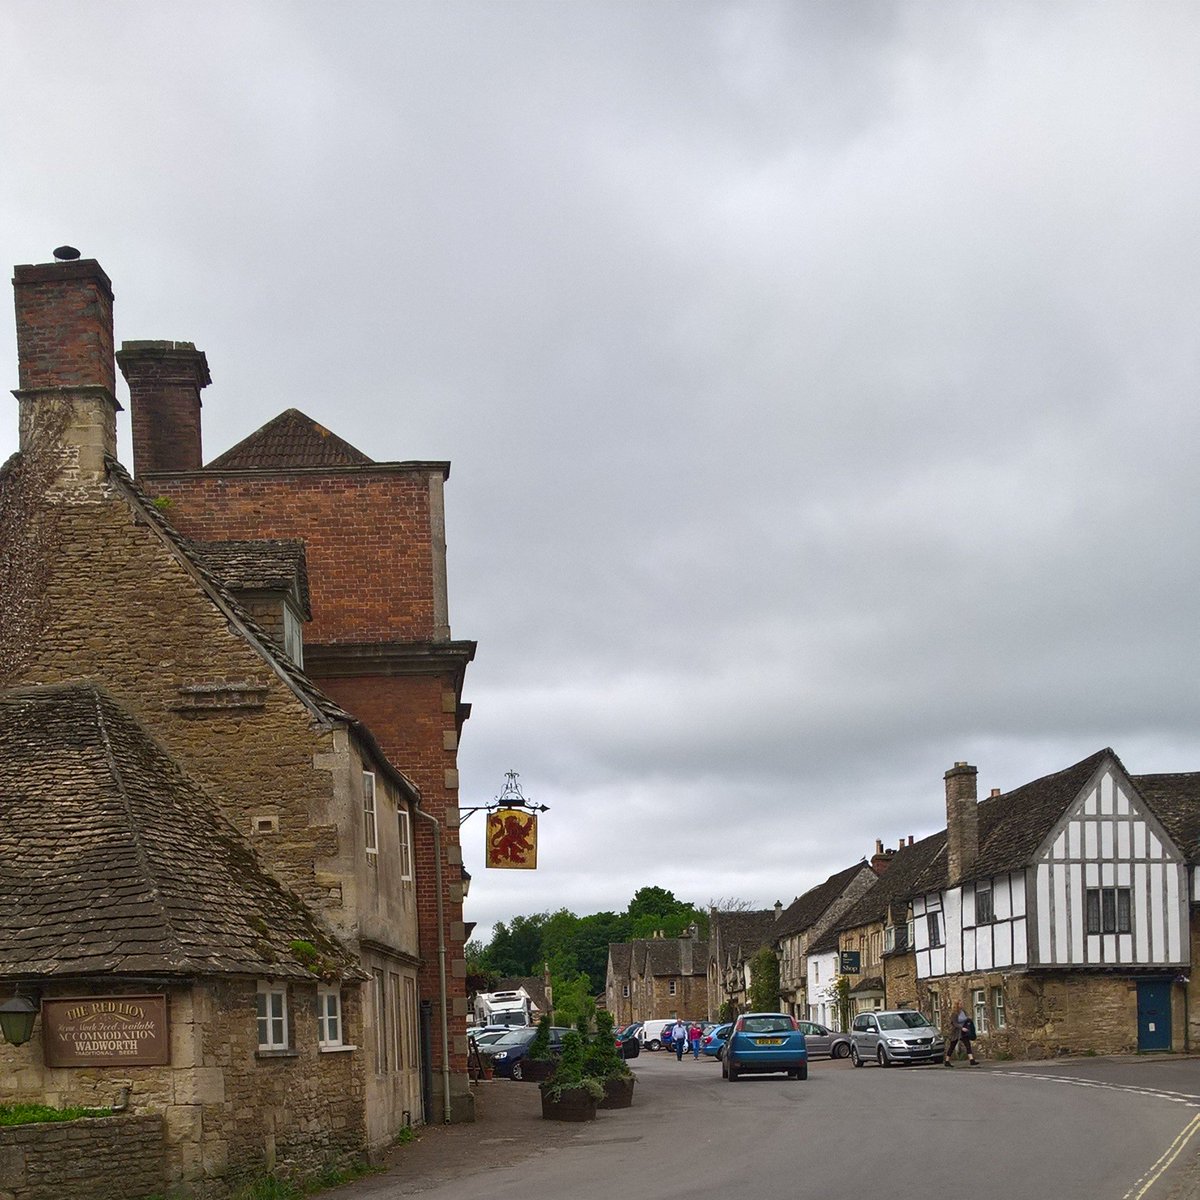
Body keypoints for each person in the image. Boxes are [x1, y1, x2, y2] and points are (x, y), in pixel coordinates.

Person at [944, 998, 978, 1066]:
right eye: (960, 1004)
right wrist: (961, 1028)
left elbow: (966, 1018)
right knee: (952, 1046)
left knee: (967, 1045)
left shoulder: (963, 1011)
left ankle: (972, 1060)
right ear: (957, 1005)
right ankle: (947, 1060)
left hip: (964, 1032)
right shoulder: (954, 1013)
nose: (962, 1005)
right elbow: (955, 1023)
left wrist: (969, 1020)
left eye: (962, 1004)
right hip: (956, 1032)